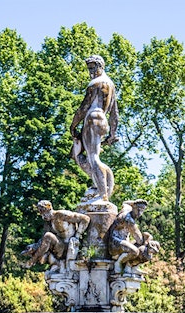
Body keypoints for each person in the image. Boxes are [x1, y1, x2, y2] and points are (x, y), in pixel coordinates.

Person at [70, 55, 119, 202]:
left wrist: (73, 125)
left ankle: (102, 193)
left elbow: (84, 107)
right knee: (77, 154)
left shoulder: (95, 83)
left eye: (93, 67)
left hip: (92, 119)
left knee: (93, 157)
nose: (90, 71)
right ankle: (98, 184)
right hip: (101, 121)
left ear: (101, 66)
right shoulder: (111, 84)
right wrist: (112, 133)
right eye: (89, 68)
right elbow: (114, 113)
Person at [21, 200, 90, 272]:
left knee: (48, 236)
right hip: (60, 247)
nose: (43, 216)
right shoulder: (48, 222)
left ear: (49, 209)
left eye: (44, 212)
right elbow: (43, 241)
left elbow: (85, 219)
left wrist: (77, 236)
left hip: (69, 245)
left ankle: (32, 261)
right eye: (41, 213)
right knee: (39, 250)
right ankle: (56, 264)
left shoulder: (61, 215)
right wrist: (33, 247)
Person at [108, 199, 159, 273]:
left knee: (147, 250)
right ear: (134, 207)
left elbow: (125, 202)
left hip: (123, 242)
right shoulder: (128, 218)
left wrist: (135, 203)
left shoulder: (127, 208)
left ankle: (131, 266)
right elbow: (139, 239)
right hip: (115, 243)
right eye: (138, 209)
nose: (140, 213)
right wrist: (147, 240)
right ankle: (118, 263)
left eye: (142, 210)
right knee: (137, 250)